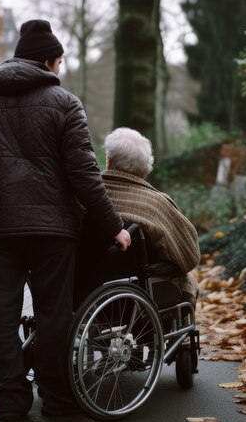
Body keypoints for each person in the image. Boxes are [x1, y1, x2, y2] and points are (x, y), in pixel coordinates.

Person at [0, 19, 131, 422]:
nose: (59, 69)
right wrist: (114, 225)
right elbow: (84, 175)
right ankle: (57, 400)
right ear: (47, 61)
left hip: (1, 228)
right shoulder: (66, 104)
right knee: (54, 314)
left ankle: (10, 402)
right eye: (58, 62)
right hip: (54, 231)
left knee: (2, 313)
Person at [75, 127, 200, 307]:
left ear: (109, 161)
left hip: (82, 291)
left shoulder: (83, 197)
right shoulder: (156, 204)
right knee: (185, 278)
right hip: (140, 298)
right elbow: (189, 257)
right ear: (145, 169)